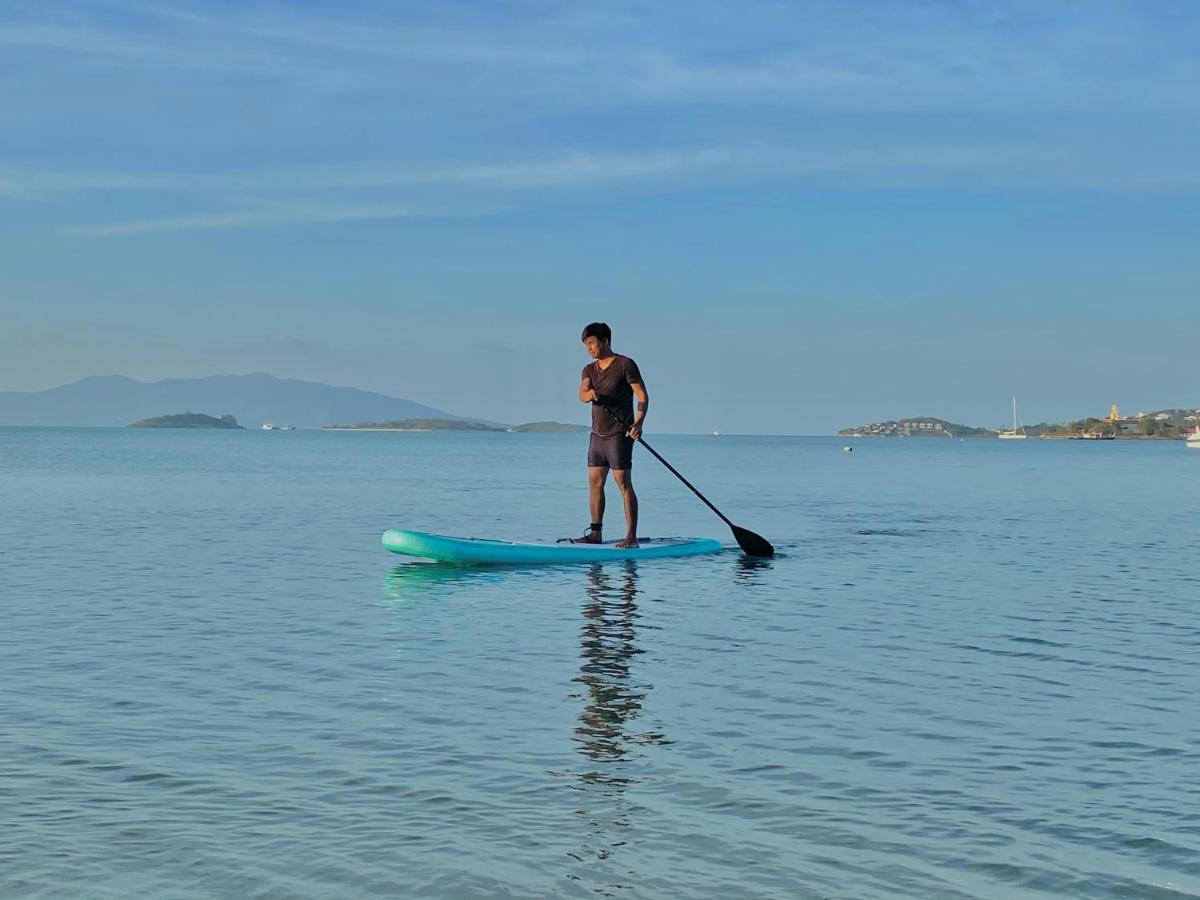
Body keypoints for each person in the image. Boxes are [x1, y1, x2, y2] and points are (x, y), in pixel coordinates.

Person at [576, 322, 648, 548]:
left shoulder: (625, 364)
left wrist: (638, 423)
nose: (589, 348)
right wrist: (590, 394)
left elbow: (642, 396)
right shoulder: (589, 370)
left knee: (623, 482)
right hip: (597, 436)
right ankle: (595, 533)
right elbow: (582, 394)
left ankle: (631, 537)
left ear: (605, 341)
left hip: (620, 434)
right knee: (595, 483)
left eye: (592, 343)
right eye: (586, 345)